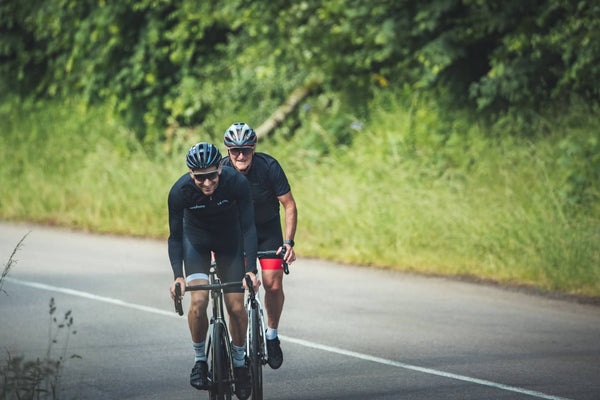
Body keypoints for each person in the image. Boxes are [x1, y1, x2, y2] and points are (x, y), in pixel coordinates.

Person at [168, 142, 260, 400]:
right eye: (200, 178)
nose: (207, 183)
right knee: (198, 301)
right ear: (190, 174)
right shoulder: (179, 192)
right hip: (195, 243)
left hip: (229, 243)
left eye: (211, 175)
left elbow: (249, 228)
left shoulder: (236, 183)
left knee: (236, 307)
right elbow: (175, 238)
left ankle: (240, 365)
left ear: (221, 167)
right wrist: (178, 276)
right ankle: (200, 361)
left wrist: (251, 271)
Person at [221, 122, 297, 369]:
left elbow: (289, 205)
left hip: (267, 231)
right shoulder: (220, 171)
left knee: (272, 283)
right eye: (235, 150)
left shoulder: (269, 167)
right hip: (235, 234)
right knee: (236, 293)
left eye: (246, 149)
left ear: (253, 148)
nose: (241, 155)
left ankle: (272, 336)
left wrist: (288, 242)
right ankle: (239, 352)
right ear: (228, 150)